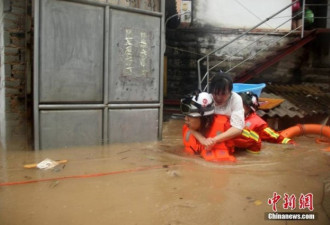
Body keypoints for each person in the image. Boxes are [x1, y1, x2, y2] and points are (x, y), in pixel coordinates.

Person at [190, 73, 245, 150]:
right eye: (216, 93)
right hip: (206, 137)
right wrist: (202, 139)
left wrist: (214, 140)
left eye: (223, 94)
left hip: (224, 136)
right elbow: (190, 123)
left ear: (230, 92)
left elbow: (238, 128)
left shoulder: (236, 99)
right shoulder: (206, 99)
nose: (219, 97)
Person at [181, 91, 236, 162]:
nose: (186, 119)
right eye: (186, 115)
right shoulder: (186, 129)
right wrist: (202, 139)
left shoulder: (227, 127)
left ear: (204, 118)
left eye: (190, 116)